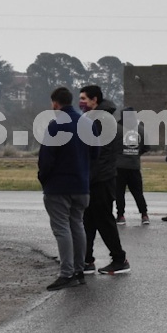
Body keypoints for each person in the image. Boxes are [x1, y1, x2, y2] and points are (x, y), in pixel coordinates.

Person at [37, 87, 91, 290]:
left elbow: (46, 158)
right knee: (77, 225)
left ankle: (66, 273)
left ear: (55, 103)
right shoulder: (87, 123)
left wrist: (43, 178)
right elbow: (95, 153)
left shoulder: (56, 125)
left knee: (61, 228)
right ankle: (79, 270)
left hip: (58, 186)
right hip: (81, 184)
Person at [78, 84, 130, 275]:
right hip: (98, 177)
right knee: (89, 221)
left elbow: (98, 155)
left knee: (104, 221)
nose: (81, 102)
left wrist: (88, 177)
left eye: (84, 98)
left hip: (101, 179)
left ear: (95, 100)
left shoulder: (100, 120)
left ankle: (119, 259)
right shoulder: (97, 118)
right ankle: (86, 260)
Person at [115, 106, 150, 226]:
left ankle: (120, 216)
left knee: (119, 192)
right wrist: (136, 154)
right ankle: (144, 215)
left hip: (119, 166)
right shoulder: (141, 129)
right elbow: (147, 147)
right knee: (138, 192)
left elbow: (109, 146)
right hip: (134, 165)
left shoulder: (116, 129)